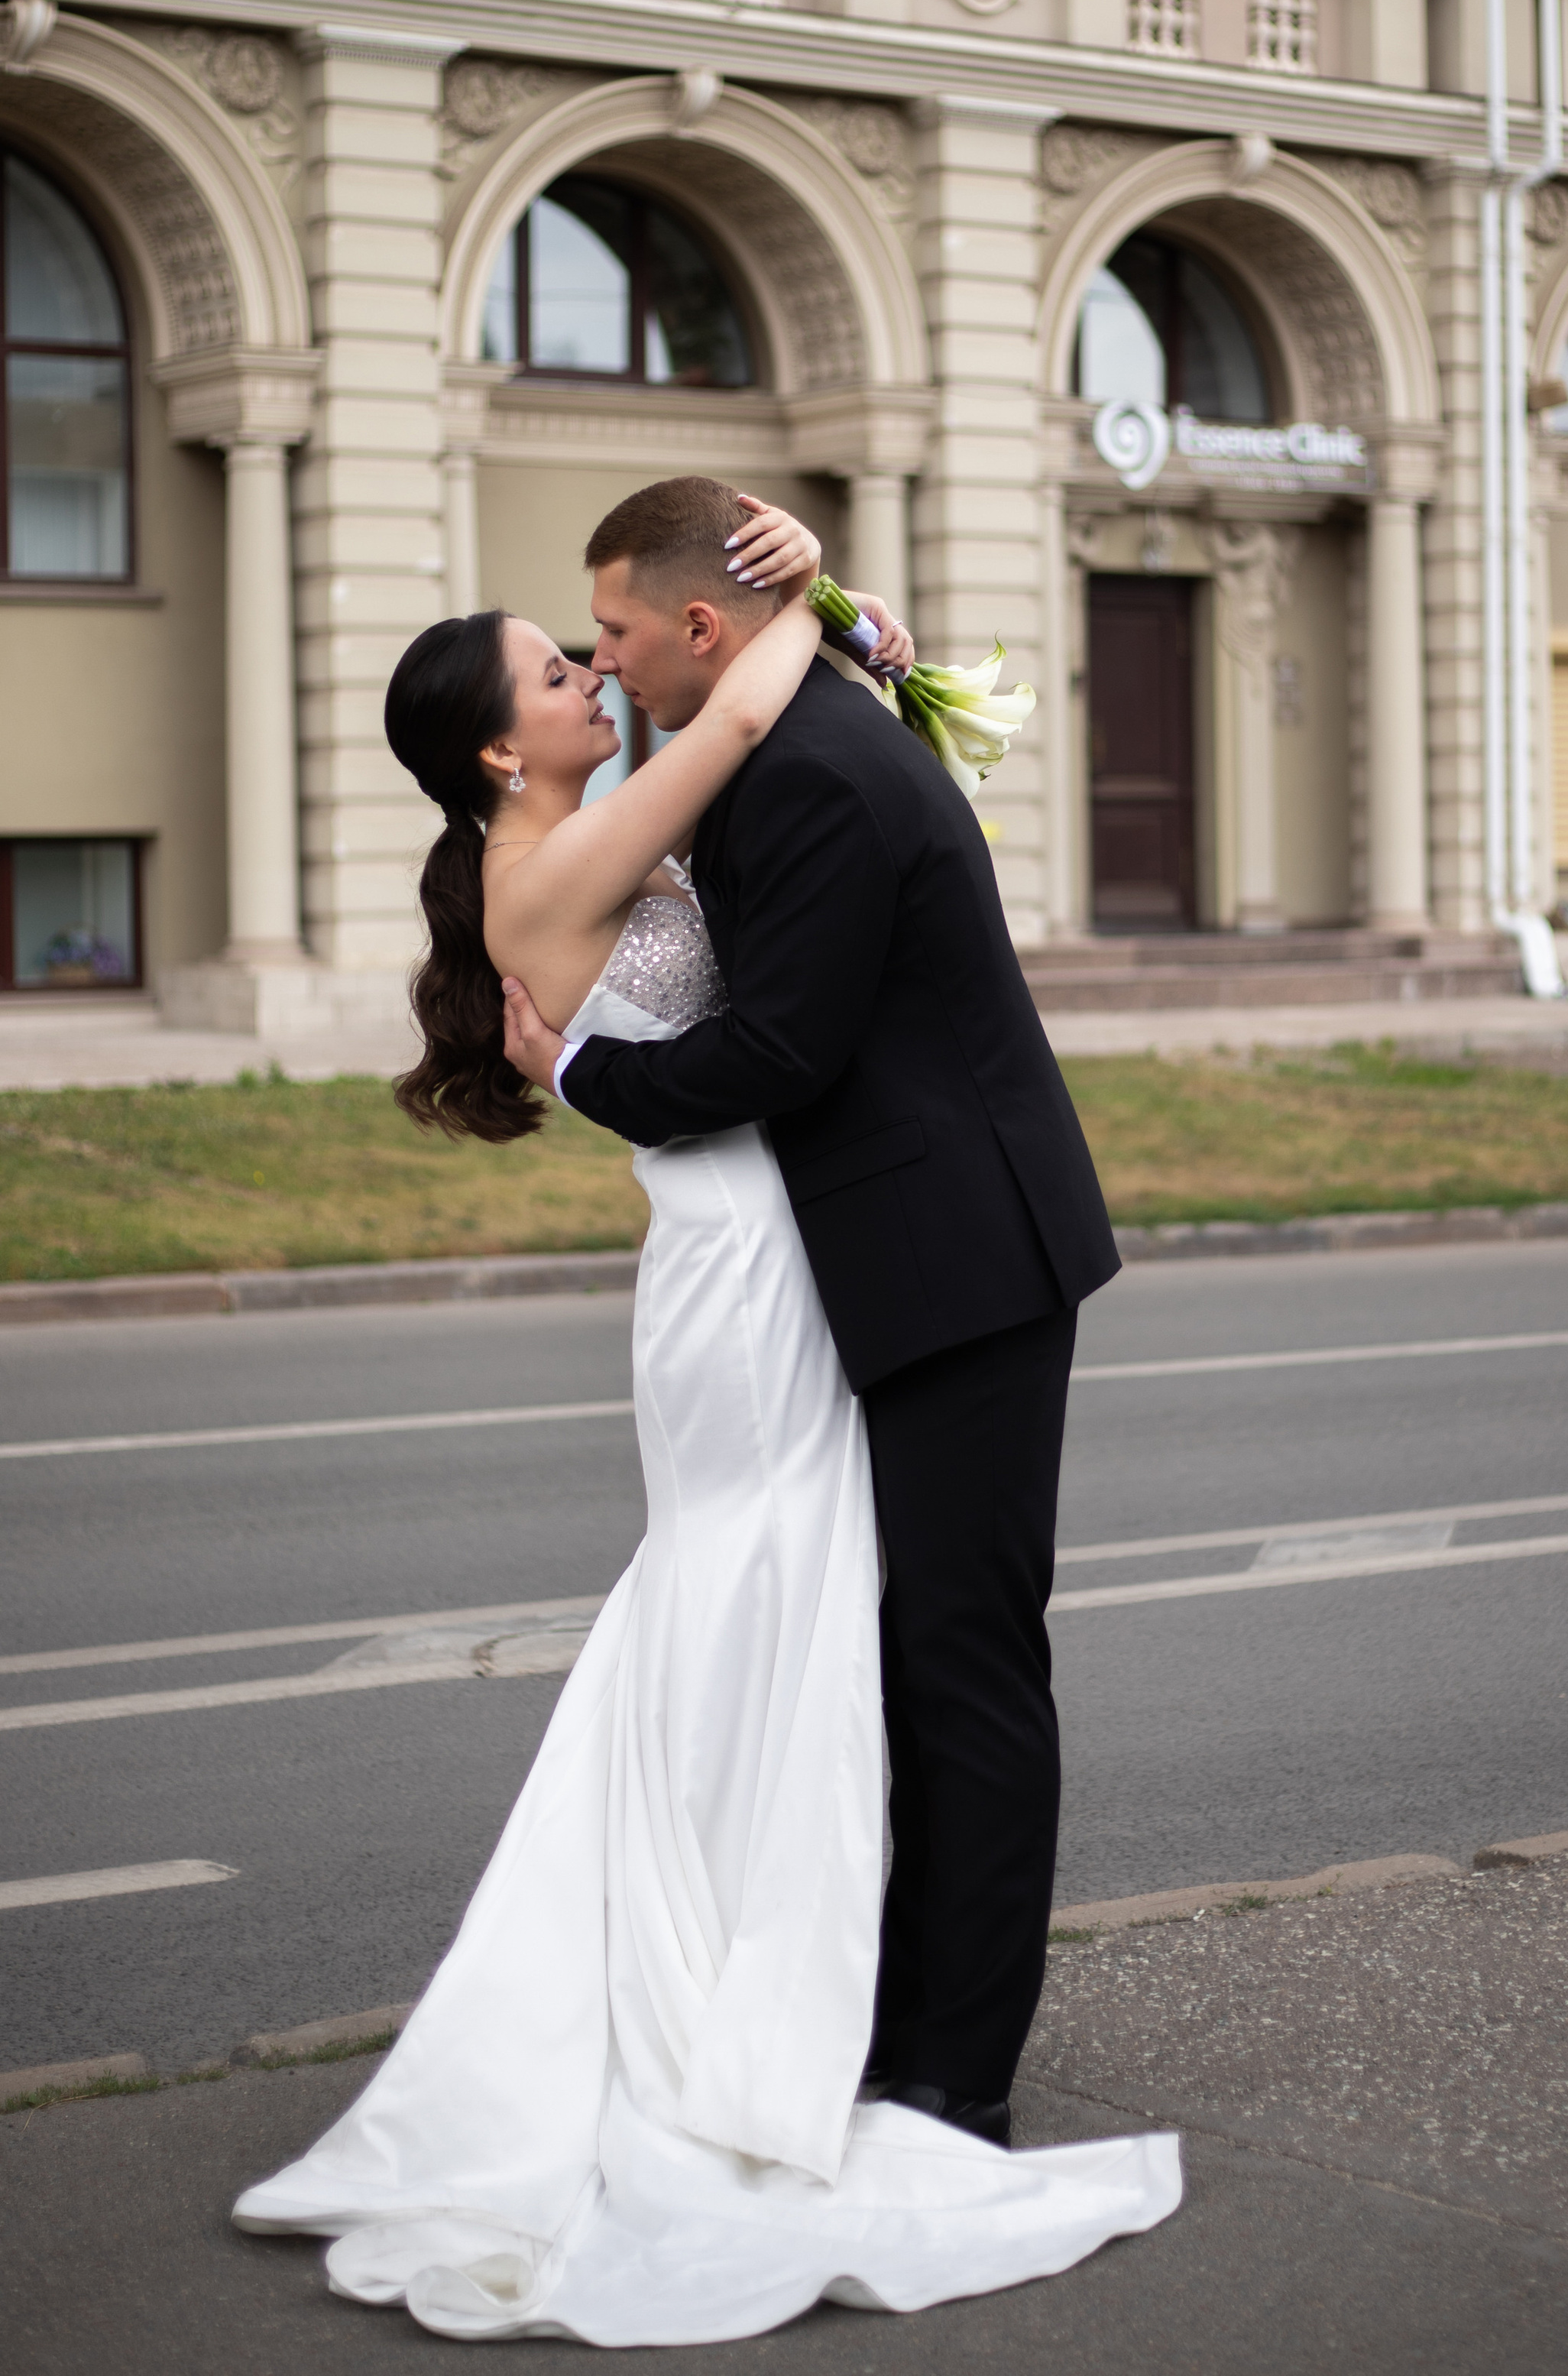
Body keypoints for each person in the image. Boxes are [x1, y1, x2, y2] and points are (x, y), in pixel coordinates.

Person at [232, 483, 1178, 2345]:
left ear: (689, 626)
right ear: (507, 741)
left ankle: (883, 2053)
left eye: (605, 633)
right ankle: (784, 2025)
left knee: (877, 1646)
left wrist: (844, 613)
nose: (594, 661)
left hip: (887, 1247)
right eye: (562, 658)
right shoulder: (636, 798)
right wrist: (818, 604)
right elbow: (744, 762)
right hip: (769, 1265)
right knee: (779, 1620)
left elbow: (760, 766)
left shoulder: (716, 766)